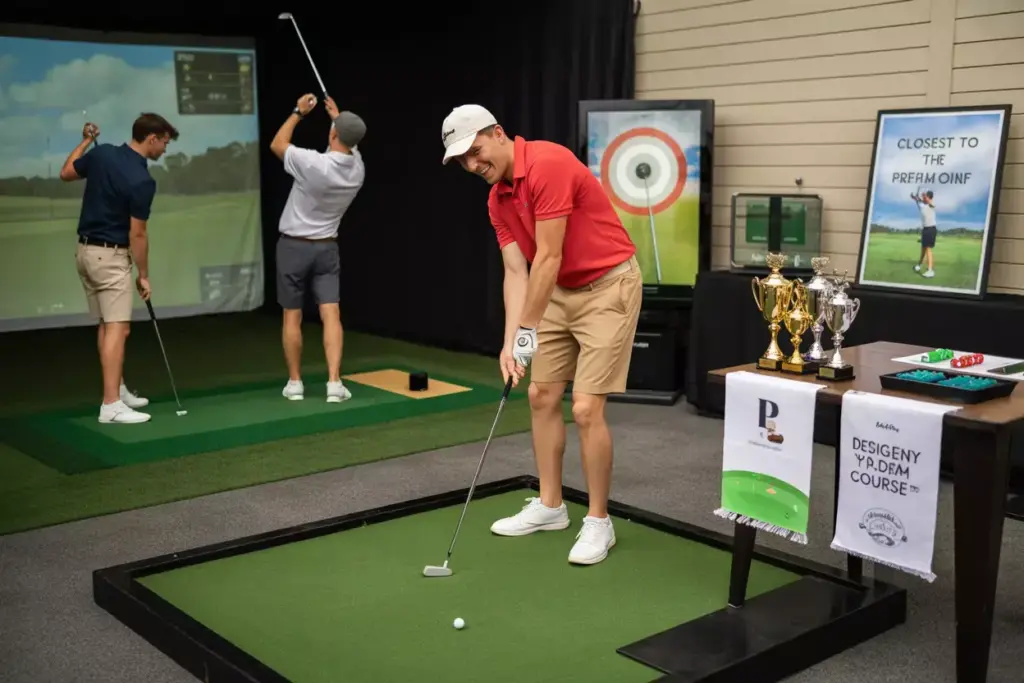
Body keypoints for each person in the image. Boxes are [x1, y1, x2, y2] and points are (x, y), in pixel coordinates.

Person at [441, 104, 642, 565]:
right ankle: (551, 507)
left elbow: (547, 258)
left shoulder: (549, 164)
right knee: (540, 396)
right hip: (556, 294)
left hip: (608, 287)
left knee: (587, 407)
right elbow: (517, 272)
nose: (473, 165)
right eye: (463, 161)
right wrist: (511, 342)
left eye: (475, 152)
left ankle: (598, 523)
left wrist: (527, 331)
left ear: (498, 133)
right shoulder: (497, 200)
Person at [60, 112, 179, 424]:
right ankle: (111, 404)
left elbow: (66, 172)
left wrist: (86, 141)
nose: (166, 148)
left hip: (85, 254)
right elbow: (137, 234)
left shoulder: (102, 153)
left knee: (105, 323)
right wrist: (144, 275)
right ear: (151, 139)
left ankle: (118, 388)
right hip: (110, 258)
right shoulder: (142, 180)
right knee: (119, 328)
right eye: (164, 142)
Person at [269, 94, 366, 403]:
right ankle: (334, 384)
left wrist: (298, 112)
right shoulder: (358, 170)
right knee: (331, 314)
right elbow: (349, 146)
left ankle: (295, 383)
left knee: (292, 317)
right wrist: (338, 119)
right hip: (327, 250)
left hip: (293, 248)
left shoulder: (312, 162)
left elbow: (278, 143)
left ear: (333, 134)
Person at [912, 189, 937, 278]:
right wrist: (914, 197)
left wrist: (924, 197)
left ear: (929, 197)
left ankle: (930, 271)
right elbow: (918, 199)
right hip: (925, 230)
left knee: (928, 250)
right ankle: (919, 265)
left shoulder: (931, 205)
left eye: (926, 196)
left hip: (931, 229)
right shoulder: (923, 205)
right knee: (923, 249)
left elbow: (929, 202)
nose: (924, 197)